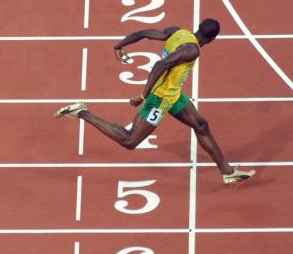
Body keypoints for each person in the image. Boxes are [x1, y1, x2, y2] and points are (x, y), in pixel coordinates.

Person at [54, 18, 255, 185]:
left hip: (174, 95)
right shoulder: (192, 50)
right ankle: (82, 112)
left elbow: (143, 33)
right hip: (161, 98)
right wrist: (143, 96)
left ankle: (227, 171)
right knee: (129, 140)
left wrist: (120, 45)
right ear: (212, 39)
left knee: (201, 125)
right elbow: (160, 65)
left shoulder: (179, 32)